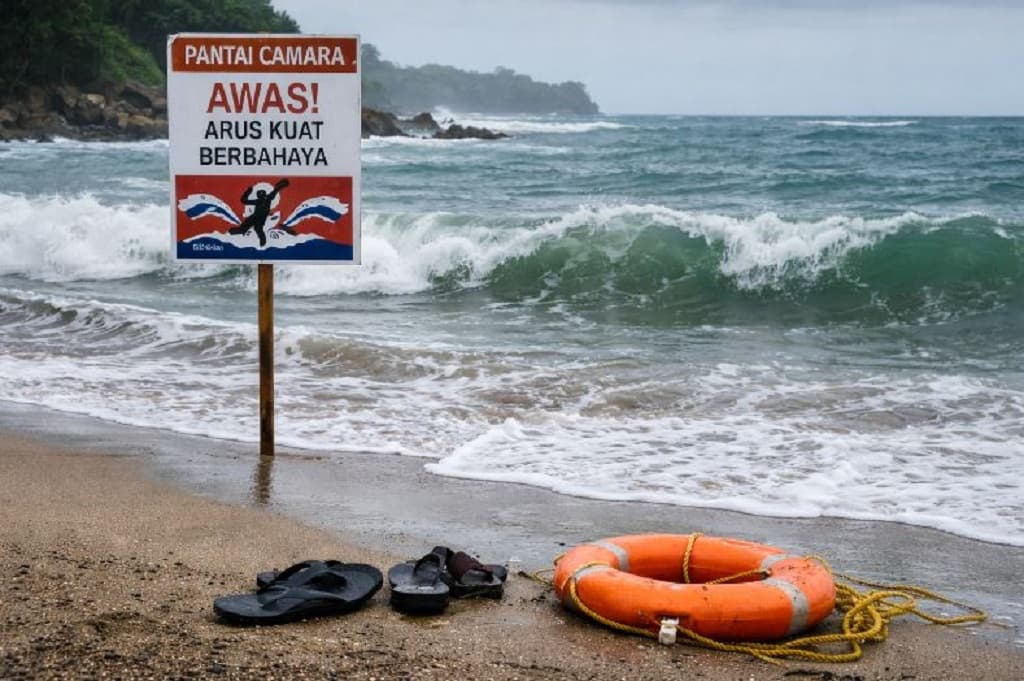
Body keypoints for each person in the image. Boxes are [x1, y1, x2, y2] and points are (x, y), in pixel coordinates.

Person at [230, 179, 290, 247]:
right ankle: (230, 232)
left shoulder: (267, 198)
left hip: (259, 218)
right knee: (245, 230)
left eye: (261, 194)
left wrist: (282, 185)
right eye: (260, 194)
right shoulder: (261, 200)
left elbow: (275, 190)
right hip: (254, 217)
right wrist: (248, 192)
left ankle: (263, 245)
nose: (261, 196)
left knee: (257, 230)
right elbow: (244, 201)